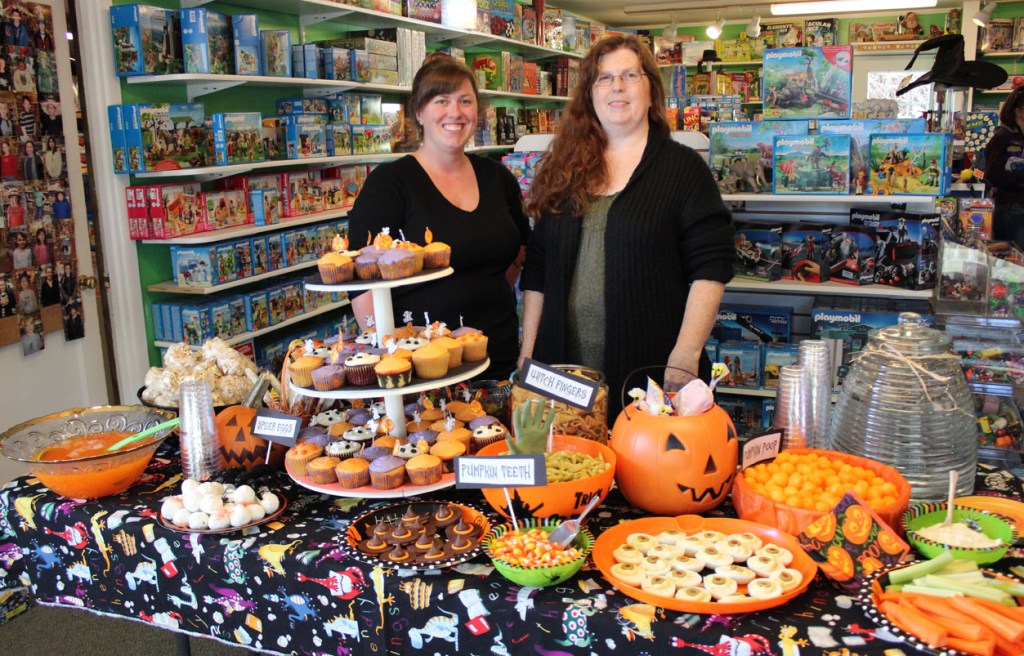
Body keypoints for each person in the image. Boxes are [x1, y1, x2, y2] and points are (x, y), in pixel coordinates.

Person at [518, 35, 734, 415]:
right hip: (562, 372)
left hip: (651, 371)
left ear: (651, 91)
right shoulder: (563, 168)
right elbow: (537, 272)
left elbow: (711, 268)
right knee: (574, 466)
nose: (616, 87)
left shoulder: (683, 170)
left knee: (647, 470)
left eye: (630, 75)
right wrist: (528, 354)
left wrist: (686, 353)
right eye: (604, 78)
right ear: (589, 94)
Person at [346, 52, 529, 379]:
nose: (455, 113)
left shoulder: (497, 178)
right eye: (441, 101)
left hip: (496, 354)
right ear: (418, 111)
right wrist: (392, 357)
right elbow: (361, 286)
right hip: (422, 369)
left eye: (465, 101)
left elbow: (517, 251)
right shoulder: (390, 184)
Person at [985, 87, 1024, 247]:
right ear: (1019, 111)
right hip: (1011, 209)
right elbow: (992, 174)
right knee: (1014, 263)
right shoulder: (1004, 137)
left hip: (1018, 208)